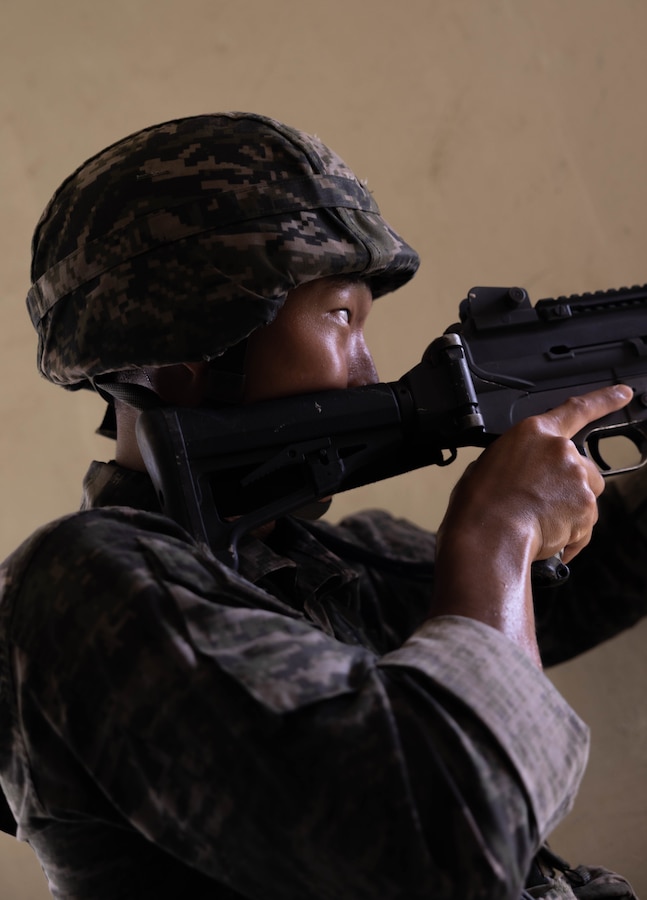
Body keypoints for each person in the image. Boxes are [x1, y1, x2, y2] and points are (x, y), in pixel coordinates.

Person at [0, 112, 644, 900]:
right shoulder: (83, 588)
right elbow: (446, 845)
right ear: (186, 350)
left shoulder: (328, 567)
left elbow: (603, 574)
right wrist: (500, 531)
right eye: (340, 317)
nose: (369, 370)